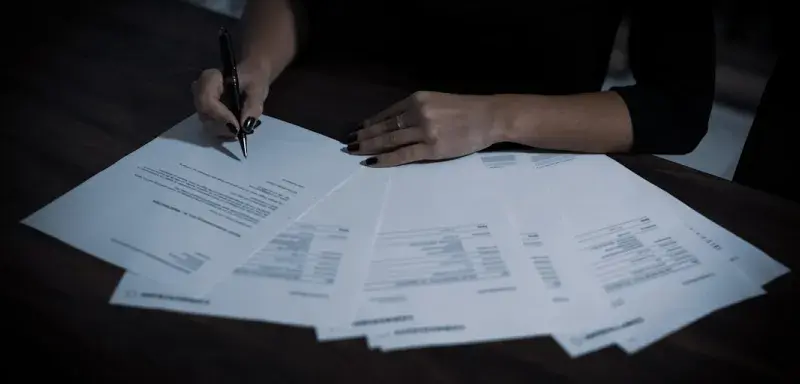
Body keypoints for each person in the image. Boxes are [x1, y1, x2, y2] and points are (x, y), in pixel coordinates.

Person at [193, 0, 715, 167]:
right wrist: (257, 62)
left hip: (516, 160)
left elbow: (677, 107)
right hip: (317, 128)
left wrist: (496, 116)